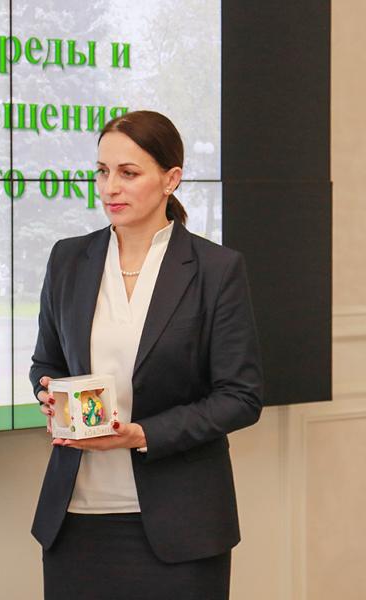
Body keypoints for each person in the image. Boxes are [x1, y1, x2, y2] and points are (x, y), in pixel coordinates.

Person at [29, 110, 263, 600]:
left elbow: (240, 397)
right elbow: (46, 363)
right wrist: (48, 393)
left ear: (170, 179)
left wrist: (142, 434)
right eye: (102, 171)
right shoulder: (68, 259)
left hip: (182, 526)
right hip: (77, 520)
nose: (110, 187)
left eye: (128, 173)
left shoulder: (216, 269)